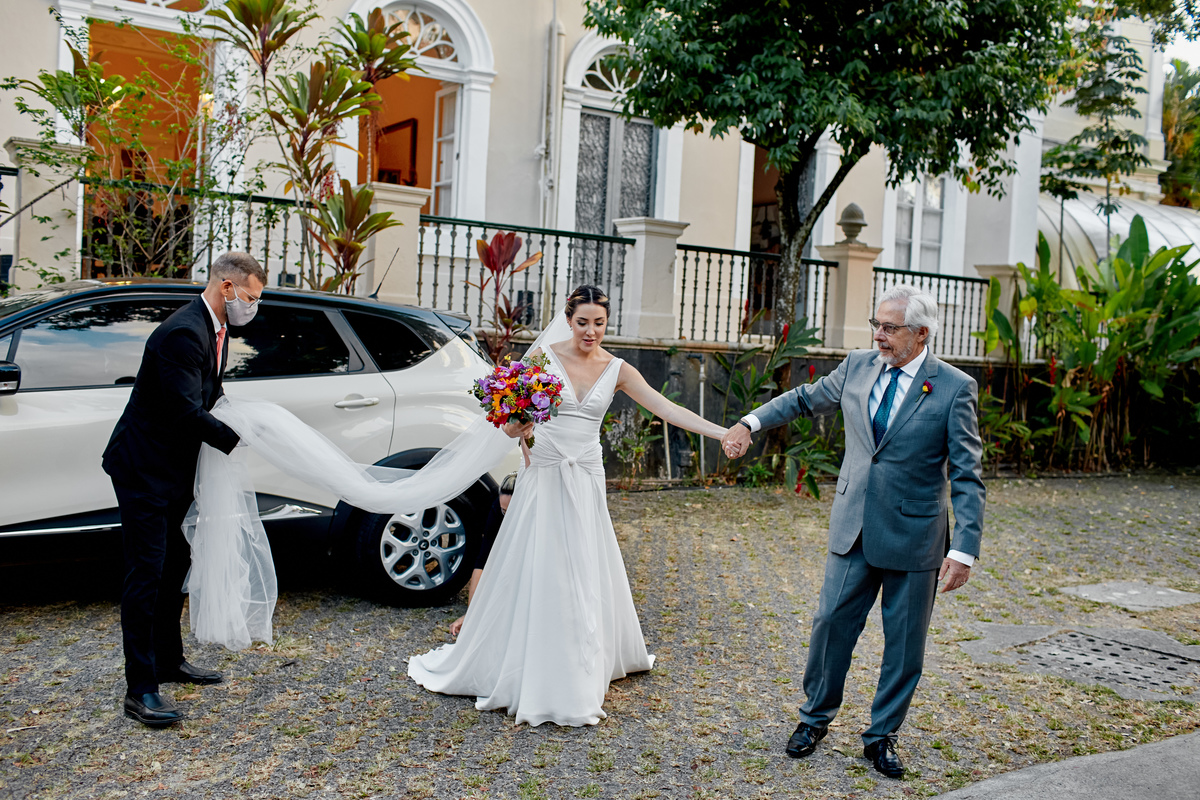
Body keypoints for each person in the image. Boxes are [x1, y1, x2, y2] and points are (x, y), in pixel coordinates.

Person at [408, 285, 729, 726]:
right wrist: (518, 425)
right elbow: (508, 428)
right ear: (568, 317)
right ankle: (534, 665)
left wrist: (721, 432)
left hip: (585, 480)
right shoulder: (541, 361)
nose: (591, 332)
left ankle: (581, 665)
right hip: (545, 476)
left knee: (583, 566)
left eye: (599, 323)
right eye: (583, 323)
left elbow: (667, 408)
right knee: (542, 567)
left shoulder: (617, 368)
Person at [721, 284, 985, 778]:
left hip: (915, 534)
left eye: (890, 328)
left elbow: (968, 474)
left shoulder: (954, 387)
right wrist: (749, 423)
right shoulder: (858, 365)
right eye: (876, 325)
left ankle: (882, 736)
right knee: (830, 624)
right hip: (854, 528)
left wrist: (964, 548)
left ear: (922, 334)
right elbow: (803, 399)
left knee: (904, 644)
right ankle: (814, 719)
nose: (879, 335)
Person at [102, 252, 267, 727]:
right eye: (251, 298)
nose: (253, 308)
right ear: (227, 288)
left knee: (176, 561)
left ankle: (168, 659)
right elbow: (182, 413)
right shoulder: (182, 332)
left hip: (175, 470)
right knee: (146, 573)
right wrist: (239, 439)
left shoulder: (216, 330)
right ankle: (141, 689)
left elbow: (208, 396)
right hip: (143, 469)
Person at [448, 471, 518, 638]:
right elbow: (483, 561)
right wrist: (472, 615)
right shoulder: (497, 510)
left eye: (511, 511)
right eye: (503, 511)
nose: (506, 516)